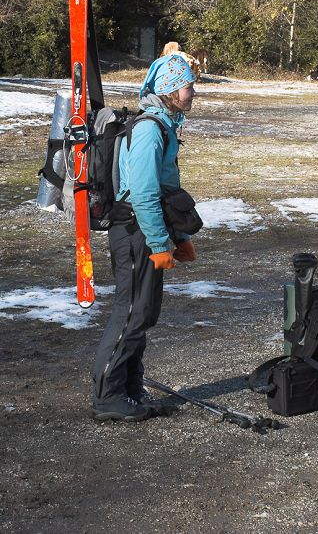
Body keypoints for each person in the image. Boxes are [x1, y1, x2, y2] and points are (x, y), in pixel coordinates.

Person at [93, 54, 198, 422]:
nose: (192, 92)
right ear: (170, 88)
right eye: (188, 85)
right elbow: (143, 194)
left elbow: (168, 190)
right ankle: (108, 395)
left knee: (144, 313)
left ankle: (129, 388)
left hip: (146, 232)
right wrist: (158, 245)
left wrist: (180, 237)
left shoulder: (165, 124)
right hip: (134, 233)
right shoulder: (152, 129)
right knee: (131, 312)